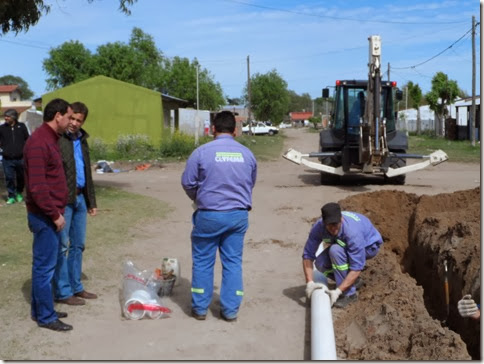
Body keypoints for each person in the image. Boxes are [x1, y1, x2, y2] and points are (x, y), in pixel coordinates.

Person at [181, 110, 257, 322]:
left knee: (203, 261)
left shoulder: (201, 152)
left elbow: (188, 182)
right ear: (235, 130)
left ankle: (200, 309)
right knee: (233, 262)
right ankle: (230, 310)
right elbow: (250, 182)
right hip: (237, 216)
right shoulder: (247, 154)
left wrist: (199, 197)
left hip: (209, 215)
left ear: (213, 129)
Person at [24, 98, 73, 331]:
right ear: (58, 116)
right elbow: (37, 186)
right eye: (69, 117)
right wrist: (55, 215)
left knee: (44, 266)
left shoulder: (50, 139)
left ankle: (41, 309)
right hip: (44, 217)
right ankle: (46, 316)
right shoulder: (38, 142)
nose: (71, 122)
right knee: (44, 268)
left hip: (48, 214)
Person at [54, 102, 98, 306]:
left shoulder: (82, 140)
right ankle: (63, 291)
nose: (73, 123)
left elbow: (86, 171)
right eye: (71, 118)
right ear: (66, 116)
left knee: (78, 245)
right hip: (64, 200)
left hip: (81, 198)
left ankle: (76, 286)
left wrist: (91, 201)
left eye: (78, 120)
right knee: (63, 246)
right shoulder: (58, 139)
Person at [302, 202, 383, 308]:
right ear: (324, 223)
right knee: (320, 263)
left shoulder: (352, 233)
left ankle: (349, 294)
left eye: (335, 224)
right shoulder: (318, 227)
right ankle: (353, 281)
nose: (333, 228)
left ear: (341, 219)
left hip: (369, 245)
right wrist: (309, 282)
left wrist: (338, 291)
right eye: (329, 225)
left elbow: (357, 267)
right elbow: (307, 255)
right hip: (345, 242)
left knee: (336, 251)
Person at [0, 108, 30, 204]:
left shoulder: (22, 126)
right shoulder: (2, 128)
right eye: (5, 116)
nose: (6, 118)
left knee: (21, 177)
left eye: (8, 116)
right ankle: (11, 196)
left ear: (13, 117)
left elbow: (28, 140)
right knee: (9, 177)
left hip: (20, 158)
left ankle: (19, 193)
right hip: (7, 159)